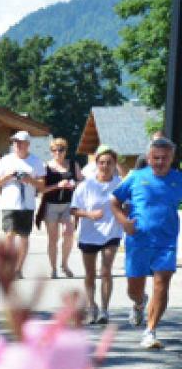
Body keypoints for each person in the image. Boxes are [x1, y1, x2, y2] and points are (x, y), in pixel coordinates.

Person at [111, 135, 182, 349]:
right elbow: (114, 201)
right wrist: (124, 222)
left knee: (162, 285)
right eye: (156, 158)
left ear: (172, 158)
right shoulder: (135, 177)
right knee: (134, 287)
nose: (160, 162)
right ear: (148, 158)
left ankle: (150, 331)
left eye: (165, 158)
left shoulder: (178, 178)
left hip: (166, 241)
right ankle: (139, 302)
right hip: (138, 240)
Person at [72, 146, 125, 325]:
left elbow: (129, 204)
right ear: (96, 164)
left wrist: (126, 212)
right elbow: (73, 209)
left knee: (106, 270)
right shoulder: (86, 185)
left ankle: (104, 309)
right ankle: (91, 306)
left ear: (115, 164)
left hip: (112, 232)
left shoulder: (120, 184)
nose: (105, 165)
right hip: (89, 233)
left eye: (109, 162)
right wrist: (89, 215)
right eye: (102, 162)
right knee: (90, 273)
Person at [0, 131, 47, 279]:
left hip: (27, 205)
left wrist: (30, 179)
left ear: (27, 144)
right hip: (9, 203)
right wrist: (8, 176)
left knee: (24, 237)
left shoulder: (36, 162)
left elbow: (42, 185)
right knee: (9, 235)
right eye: (15, 142)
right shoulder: (5, 160)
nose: (17, 145)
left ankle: (18, 268)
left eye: (20, 142)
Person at [39, 138, 80, 279]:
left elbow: (81, 181)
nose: (58, 152)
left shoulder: (73, 165)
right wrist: (58, 185)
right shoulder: (46, 167)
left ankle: (64, 264)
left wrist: (74, 184)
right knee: (53, 238)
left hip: (68, 204)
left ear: (65, 150)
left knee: (69, 233)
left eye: (61, 149)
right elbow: (41, 189)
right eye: (54, 150)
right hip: (51, 205)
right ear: (51, 152)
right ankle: (53, 268)